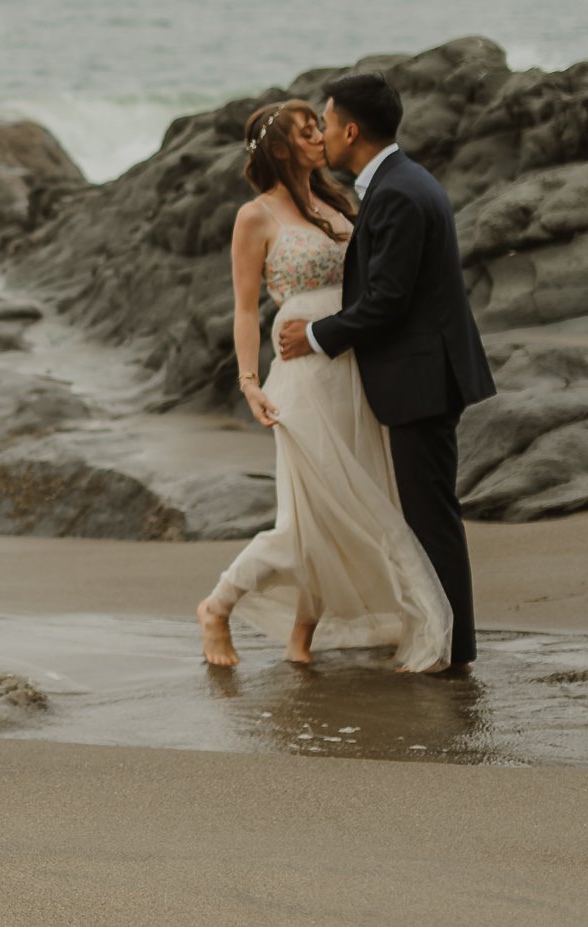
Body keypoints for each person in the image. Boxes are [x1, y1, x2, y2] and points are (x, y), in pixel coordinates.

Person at [194, 91, 455, 672]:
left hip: (354, 366)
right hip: (302, 373)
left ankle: (301, 638)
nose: (320, 135)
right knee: (309, 516)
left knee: (352, 503)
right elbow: (243, 309)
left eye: (321, 125)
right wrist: (248, 380)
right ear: (283, 146)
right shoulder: (255, 216)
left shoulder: (339, 201)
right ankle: (218, 604)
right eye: (307, 130)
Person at [274, 71, 495, 672]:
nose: (320, 134)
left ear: (351, 130)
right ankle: (448, 640)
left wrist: (316, 336)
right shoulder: (401, 181)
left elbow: (387, 300)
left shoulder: (396, 191)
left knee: (432, 519)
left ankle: (451, 650)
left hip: (422, 379)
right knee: (430, 515)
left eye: (325, 122)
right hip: (426, 372)